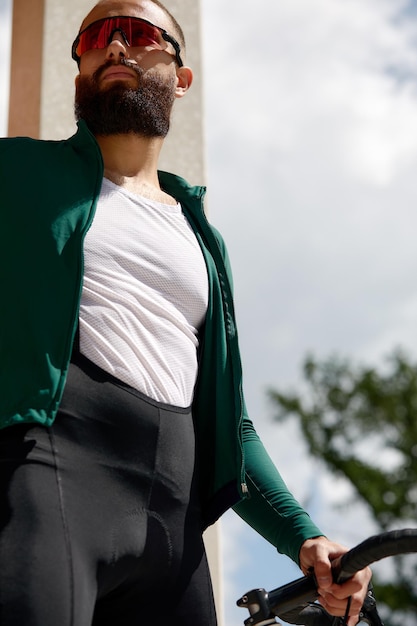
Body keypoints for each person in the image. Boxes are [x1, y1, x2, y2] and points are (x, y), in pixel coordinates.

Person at [0, 1, 371, 625]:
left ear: (180, 74)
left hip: (174, 531)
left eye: (139, 34)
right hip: (51, 481)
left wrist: (302, 536)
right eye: (96, 37)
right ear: (79, 72)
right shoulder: (16, 173)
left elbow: (234, 426)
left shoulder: (201, 238)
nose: (116, 46)